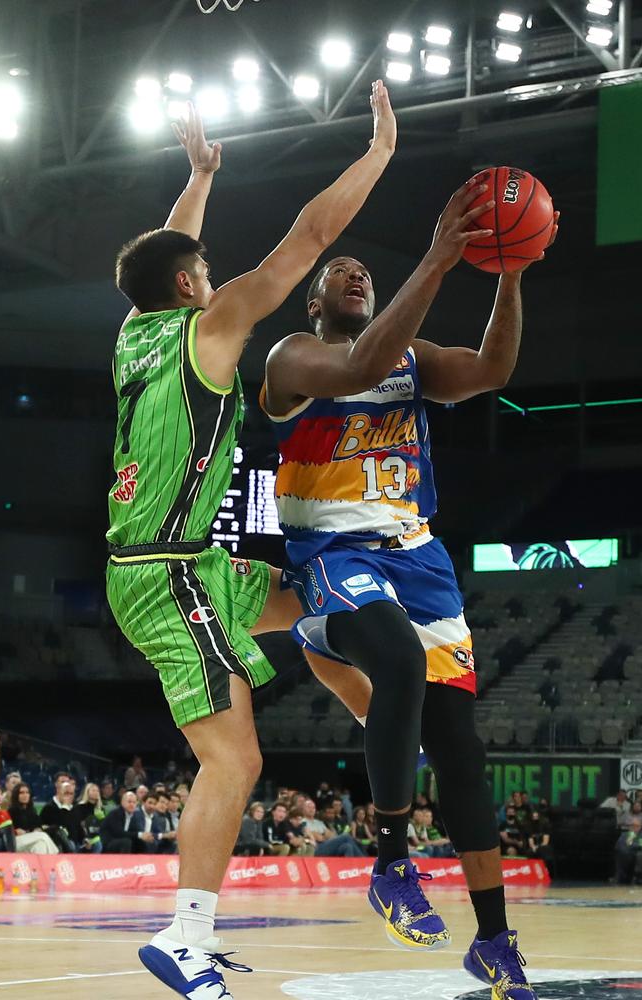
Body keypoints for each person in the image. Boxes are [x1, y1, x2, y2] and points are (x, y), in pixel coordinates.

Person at [106, 84, 396, 1000]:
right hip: (168, 576)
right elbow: (307, 241)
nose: (214, 273)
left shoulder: (136, 334)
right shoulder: (210, 324)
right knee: (236, 759)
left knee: (317, 595)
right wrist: (379, 152)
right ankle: (185, 937)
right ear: (194, 287)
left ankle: (379, 712)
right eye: (205, 266)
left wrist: (197, 179)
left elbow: (162, 259)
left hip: (186, 561)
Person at [263, 178, 558, 995]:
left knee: (460, 748)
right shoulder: (294, 358)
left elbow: (494, 368)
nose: (355, 275)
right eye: (341, 272)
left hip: (421, 557)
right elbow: (360, 362)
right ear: (316, 300)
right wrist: (438, 254)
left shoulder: (414, 362)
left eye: (365, 271)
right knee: (393, 659)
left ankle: (494, 938)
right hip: (332, 548)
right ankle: (392, 864)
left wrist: (508, 272)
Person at [8, 783, 59, 855]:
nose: (25, 795)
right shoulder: (11, 811)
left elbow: (38, 826)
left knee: (40, 845)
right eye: (22, 793)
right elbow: (7, 830)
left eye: (27, 792)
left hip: (32, 841)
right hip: (16, 841)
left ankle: (41, 866)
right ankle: (55, 855)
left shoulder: (32, 812)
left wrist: (38, 829)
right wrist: (15, 831)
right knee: (42, 836)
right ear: (16, 795)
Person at [40, 779, 79, 851]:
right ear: (58, 792)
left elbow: (77, 828)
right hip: (55, 842)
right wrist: (65, 808)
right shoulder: (49, 808)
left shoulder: (74, 808)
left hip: (74, 842)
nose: (69, 796)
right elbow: (59, 826)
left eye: (71, 794)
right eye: (66, 793)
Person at [74, 783, 106, 854]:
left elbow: (104, 826)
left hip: (98, 836)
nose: (96, 793)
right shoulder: (80, 807)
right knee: (98, 844)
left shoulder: (101, 808)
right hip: (85, 836)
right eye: (93, 790)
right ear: (87, 792)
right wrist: (84, 838)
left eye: (97, 791)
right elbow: (78, 825)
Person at [615, 817, 642, 885]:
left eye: (637, 826)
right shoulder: (624, 835)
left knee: (640, 855)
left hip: (639, 856)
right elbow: (623, 847)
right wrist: (636, 845)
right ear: (629, 826)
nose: (634, 827)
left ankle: (637, 876)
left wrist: (634, 846)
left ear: (640, 827)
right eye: (632, 825)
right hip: (627, 857)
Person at [526, 807, 553, 875]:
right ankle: (531, 871)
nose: (535, 818)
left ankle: (545, 870)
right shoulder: (530, 827)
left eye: (536, 816)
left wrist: (538, 848)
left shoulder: (544, 826)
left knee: (543, 850)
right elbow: (530, 841)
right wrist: (533, 847)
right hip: (535, 846)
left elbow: (545, 841)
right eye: (533, 817)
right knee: (530, 851)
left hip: (543, 846)